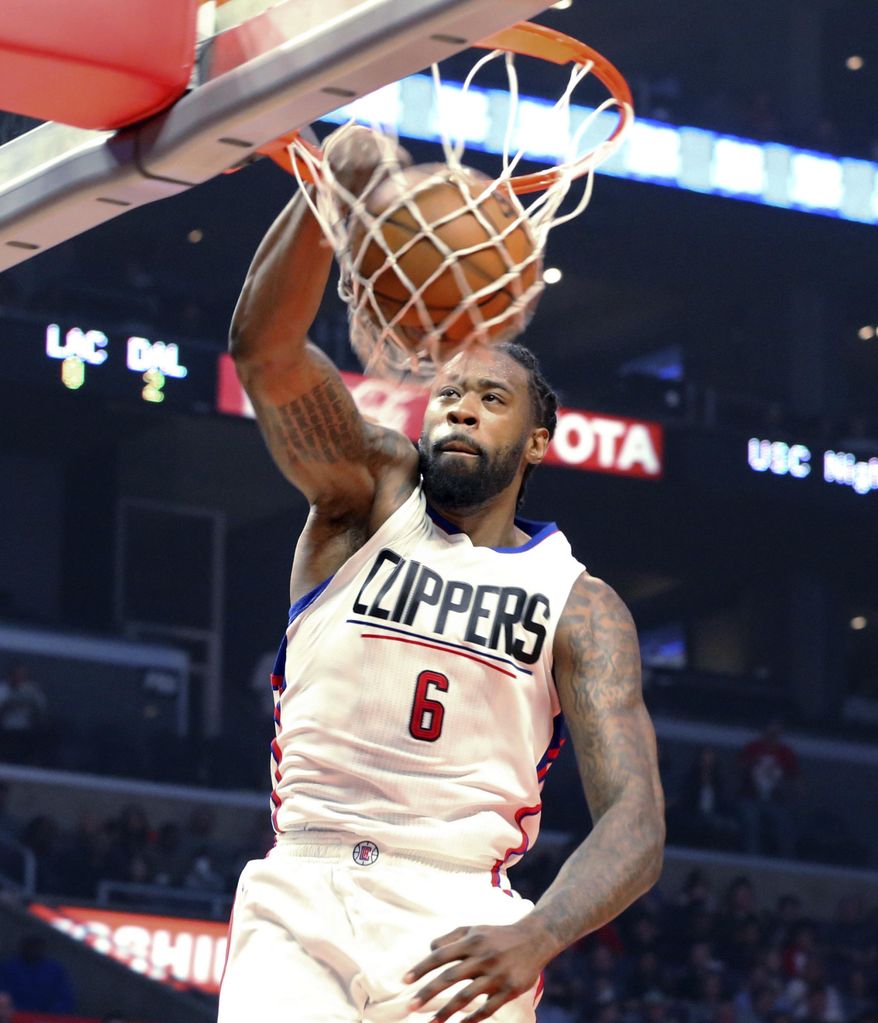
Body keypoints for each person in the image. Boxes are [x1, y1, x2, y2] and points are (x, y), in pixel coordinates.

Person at [217, 125, 665, 1023]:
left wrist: (539, 933)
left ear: (538, 442)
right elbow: (264, 353)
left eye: (491, 399)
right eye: (449, 392)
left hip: (463, 918)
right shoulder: (365, 496)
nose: (460, 406)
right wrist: (325, 199)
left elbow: (636, 822)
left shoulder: (581, 607)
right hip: (308, 887)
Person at [737, 722, 799, 859]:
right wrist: (753, 764)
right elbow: (739, 768)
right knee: (751, 822)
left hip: (775, 800)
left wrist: (784, 787)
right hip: (750, 797)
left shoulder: (786, 753)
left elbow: (795, 778)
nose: (772, 736)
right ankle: (751, 860)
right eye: (770, 733)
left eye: (776, 734)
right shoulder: (752, 748)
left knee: (786, 823)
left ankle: (787, 861)